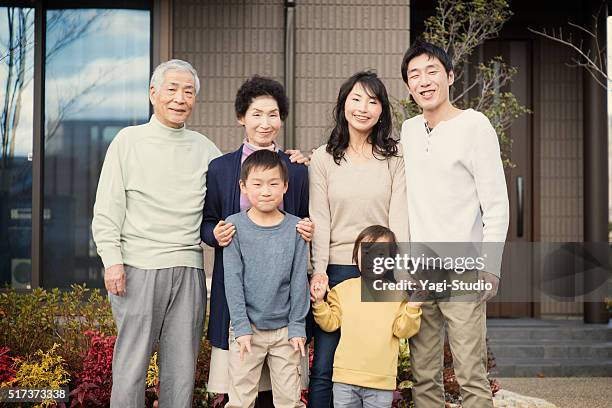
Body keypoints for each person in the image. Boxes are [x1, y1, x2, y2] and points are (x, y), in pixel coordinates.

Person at [92, 59, 221, 407]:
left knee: (181, 372)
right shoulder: (128, 141)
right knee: (131, 367)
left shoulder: (206, 149)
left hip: (189, 269)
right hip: (138, 268)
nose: (180, 98)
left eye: (188, 92)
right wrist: (112, 261)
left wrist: (294, 161)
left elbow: (247, 184)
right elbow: (106, 210)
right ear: (153, 94)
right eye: (172, 89)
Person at [399, 39, 509, 407]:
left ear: (449, 76)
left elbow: (496, 205)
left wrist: (490, 266)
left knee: (470, 372)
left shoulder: (475, 126)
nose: (424, 80)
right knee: (424, 373)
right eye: (415, 74)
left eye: (432, 71)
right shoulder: (409, 131)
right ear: (409, 86)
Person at [201, 75, 312, 403]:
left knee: (284, 390)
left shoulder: (297, 168)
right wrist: (215, 233)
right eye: (256, 114)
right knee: (240, 388)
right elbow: (206, 221)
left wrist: (308, 227)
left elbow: (304, 217)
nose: (265, 123)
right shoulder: (221, 168)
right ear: (241, 118)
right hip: (239, 303)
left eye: (273, 114)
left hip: (282, 306)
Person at [308, 71, 409, 407]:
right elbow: (320, 219)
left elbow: (399, 219)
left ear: (382, 110)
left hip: (379, 270)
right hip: (336, 270)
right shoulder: (322, 158)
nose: (363, 107)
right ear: (343, 104)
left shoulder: (395, 157)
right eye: (356, 98)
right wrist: (319, 270)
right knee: (325, 366)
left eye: (373, 101)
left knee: (374, 360)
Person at [223, 150, 309, 408]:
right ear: (244, 187)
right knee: (240, 399)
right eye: (257, 184)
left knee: (289, 400)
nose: (265, 191)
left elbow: (298, 281)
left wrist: (297, 326)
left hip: (285, 330)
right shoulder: (234, 226)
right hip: (246, 327)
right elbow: (233, 280)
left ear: (285, 186)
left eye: (273, 184)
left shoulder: (296, 228)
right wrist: (241, 327)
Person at [312, 225, 422, 408]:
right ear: (356, 257)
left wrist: (413, 306)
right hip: (345, 379)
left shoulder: (397, 294)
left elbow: (403, 330)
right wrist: (319, 303)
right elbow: (330, 323)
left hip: (380, 382)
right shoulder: (342, 290)